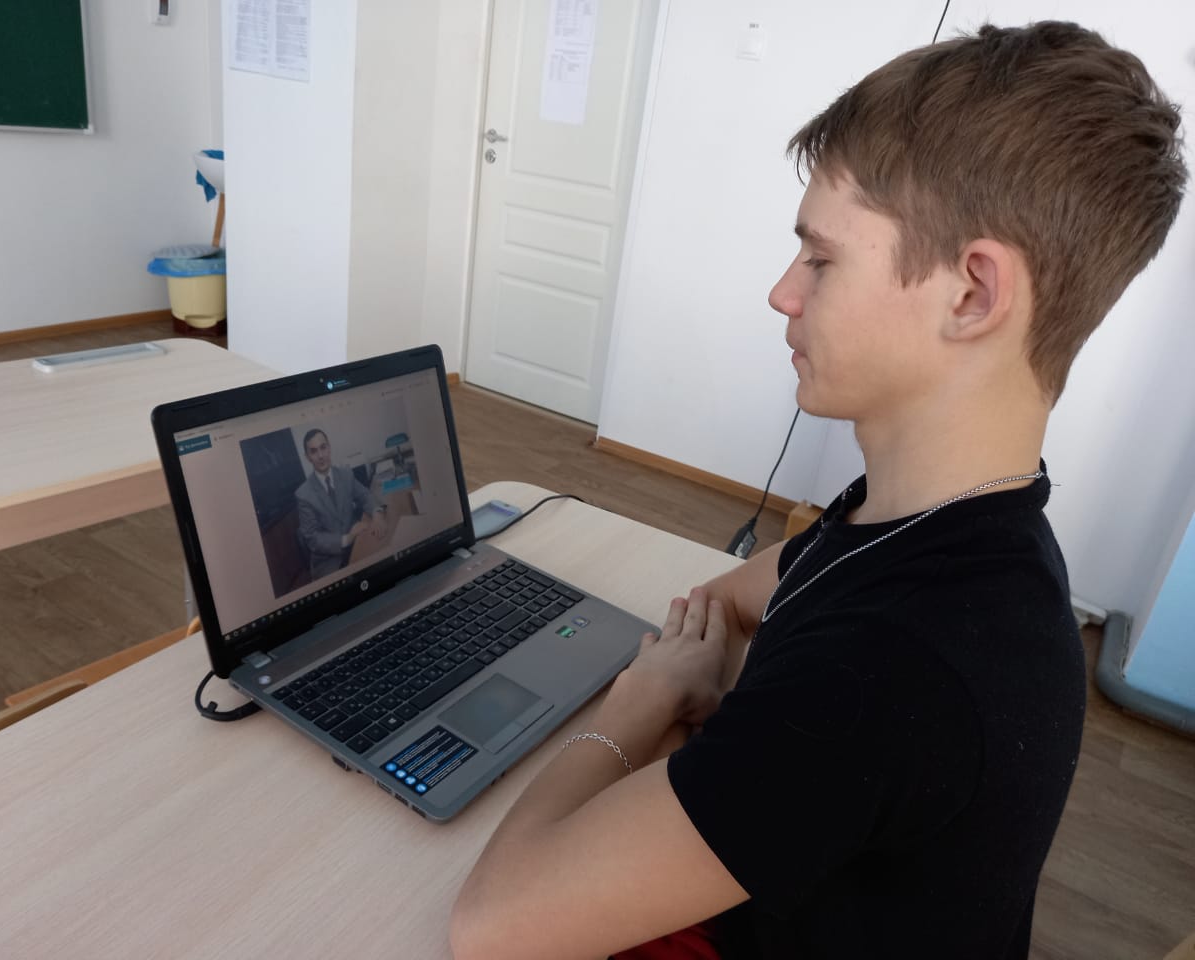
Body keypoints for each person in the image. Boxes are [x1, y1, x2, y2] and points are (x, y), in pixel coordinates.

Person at [450, 21, 1187, 960]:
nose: (782, 293)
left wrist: (637, 709)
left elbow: (493, 927)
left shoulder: (897, 671)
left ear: (972, 294)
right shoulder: (943, 519)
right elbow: (734, 599)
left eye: (822, 258)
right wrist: (707, 687)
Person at [295, 428, 387, 580]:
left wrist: (377, 514)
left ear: (329, 448)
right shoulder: (303, 494)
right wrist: (346, 538)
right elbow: (312, 538)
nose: (320, 455)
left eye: (323, 447)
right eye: (314, 451)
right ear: (308, 457)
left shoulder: (345, 474)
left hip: (356, 543)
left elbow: (365, 495)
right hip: (329, 562)